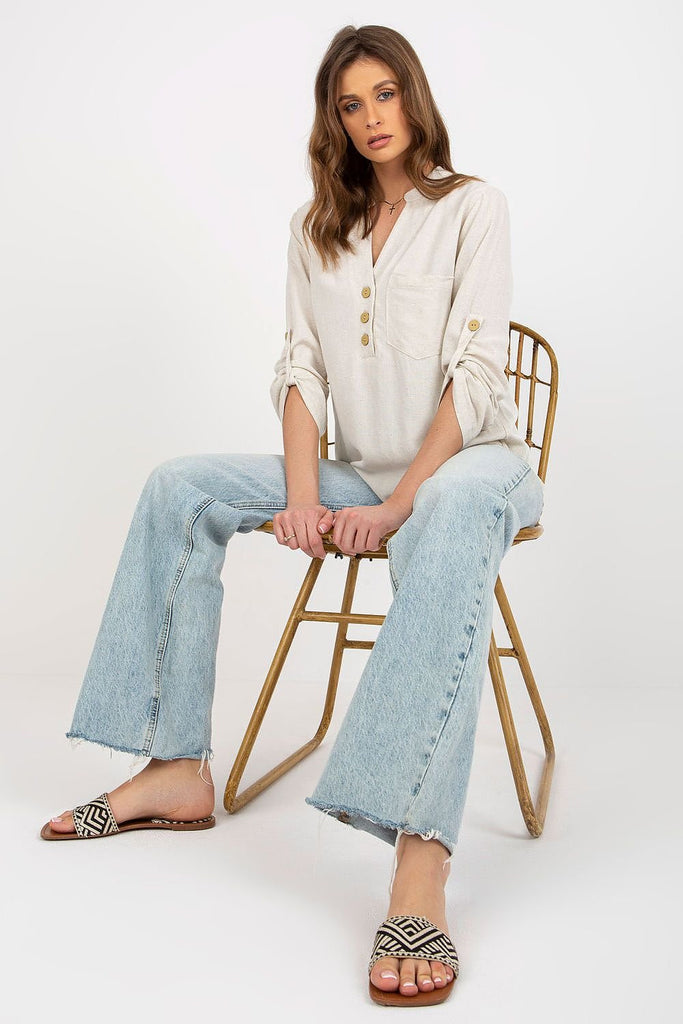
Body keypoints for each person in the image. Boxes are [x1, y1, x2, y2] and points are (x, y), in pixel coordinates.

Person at [40, 23, 545, 1008]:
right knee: (179, 485)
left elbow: (478, 373)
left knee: (445, 513)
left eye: (384, 95)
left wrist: (398, 503)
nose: (370, 118)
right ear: (333, 121)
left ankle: (419, 856)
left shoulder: (471, 207)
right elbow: (302, 368)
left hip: (473, 468)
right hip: (362, 474)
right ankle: (175, 765)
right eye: (350, 105)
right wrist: (308, 498)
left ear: (414, 96)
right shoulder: (317, 229)